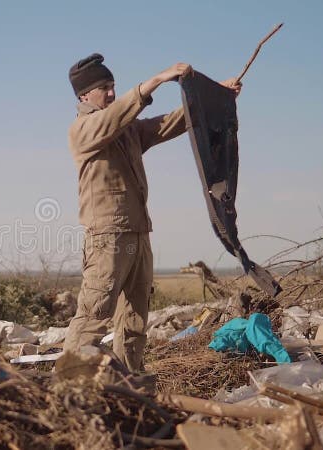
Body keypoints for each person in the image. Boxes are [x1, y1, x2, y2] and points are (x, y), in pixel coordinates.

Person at [62, 53, 241, 372]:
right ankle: (69, 383)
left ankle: (130, 384)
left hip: (138, 233)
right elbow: (112, 118)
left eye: (114, 85)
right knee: (94, 314)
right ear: (84, 95)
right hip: (108, 237)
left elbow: (166, 124)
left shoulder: (127, 130)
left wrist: (214, 96)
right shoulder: (83, 130)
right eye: (105, 87)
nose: (112, 92)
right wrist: (156, 80)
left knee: (134, 320)